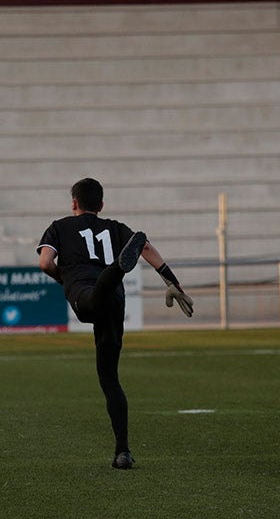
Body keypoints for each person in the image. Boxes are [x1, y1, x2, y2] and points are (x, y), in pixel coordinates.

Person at [37, 178, 194, 469]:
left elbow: (45, 262)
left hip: (84, 291)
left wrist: (65, 279)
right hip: (116, 301)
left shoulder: (59, 227)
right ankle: (123, 451)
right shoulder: (114, 227)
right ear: (101, 205)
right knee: (110, 379)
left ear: (74, 203)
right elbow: (145, 247)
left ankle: (116, 269)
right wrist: (172, 282)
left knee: (91, 303)